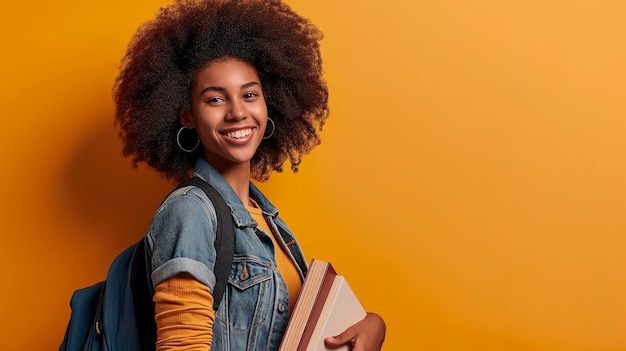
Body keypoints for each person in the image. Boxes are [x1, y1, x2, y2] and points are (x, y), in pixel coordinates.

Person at [113, 0, 386, 350]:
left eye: (250, 95)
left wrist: (372, 325)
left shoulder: (267, 220)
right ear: (186, 116)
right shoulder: (190, 211)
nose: (238, 112)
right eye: (215, 100)